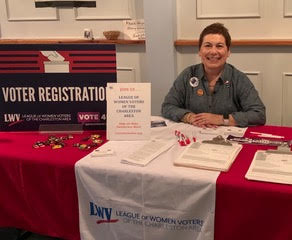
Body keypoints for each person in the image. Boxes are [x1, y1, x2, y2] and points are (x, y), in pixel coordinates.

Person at [161, 22, 266, 128]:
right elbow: (167, 106)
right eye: (208, 46)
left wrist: (222, 119)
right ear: (199, 51)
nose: (213, 51)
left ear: (228, 51)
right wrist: (189, 117)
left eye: (219, 46)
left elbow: (259, 114)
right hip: (194, 136)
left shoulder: (239, 79)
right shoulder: (188, 75)